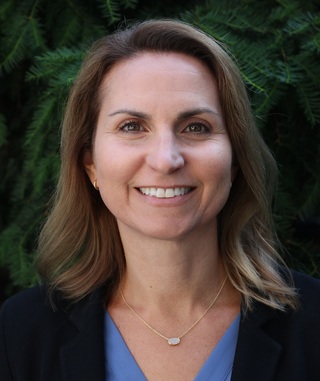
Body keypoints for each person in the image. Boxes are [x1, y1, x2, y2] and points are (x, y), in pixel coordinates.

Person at [0, 19, 319, 381]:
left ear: (234, 160)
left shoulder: (314, 324)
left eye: (196, 127)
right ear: (90, 164)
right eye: (132, 127)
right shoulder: (21, 332)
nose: (166, 160)